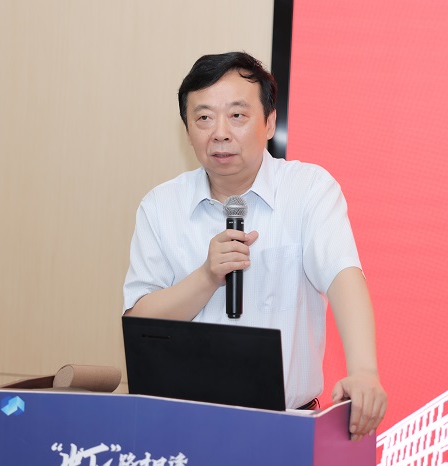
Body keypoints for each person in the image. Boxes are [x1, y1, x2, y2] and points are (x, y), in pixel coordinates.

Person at [123, 51, 386, 440]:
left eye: (237, 115)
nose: (220, 132)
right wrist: (206, 277)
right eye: (204, 118)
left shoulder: (308, 189)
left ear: (269, 122)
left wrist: (364, 370)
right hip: (183, 428)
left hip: (286, 427)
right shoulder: (161, 206)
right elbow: (139, 321)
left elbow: (342, 274)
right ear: (188, 130)